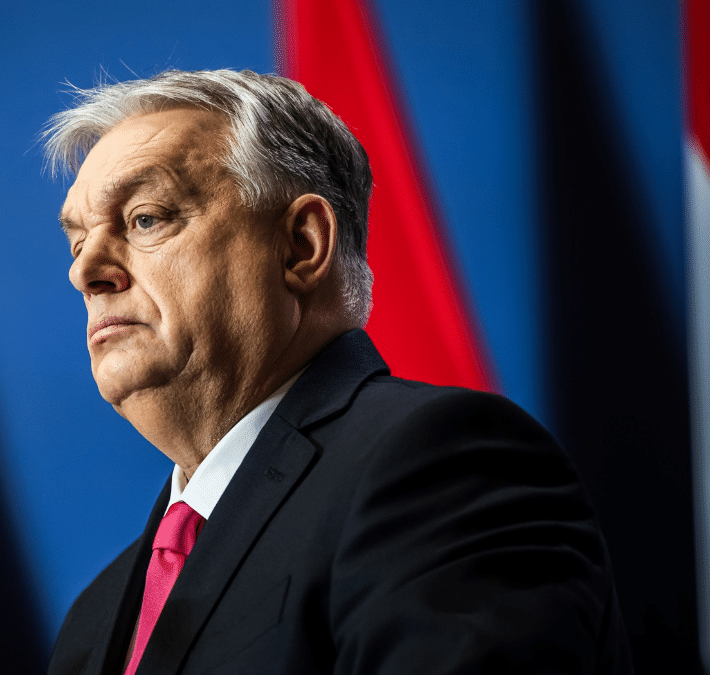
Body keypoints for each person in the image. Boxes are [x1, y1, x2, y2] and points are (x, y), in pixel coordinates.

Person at [41, 69, 632, 675]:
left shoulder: (440, 471)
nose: (85, 272)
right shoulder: (94, 617)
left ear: (301, 245)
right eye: (77, 243)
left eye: (146, 218)